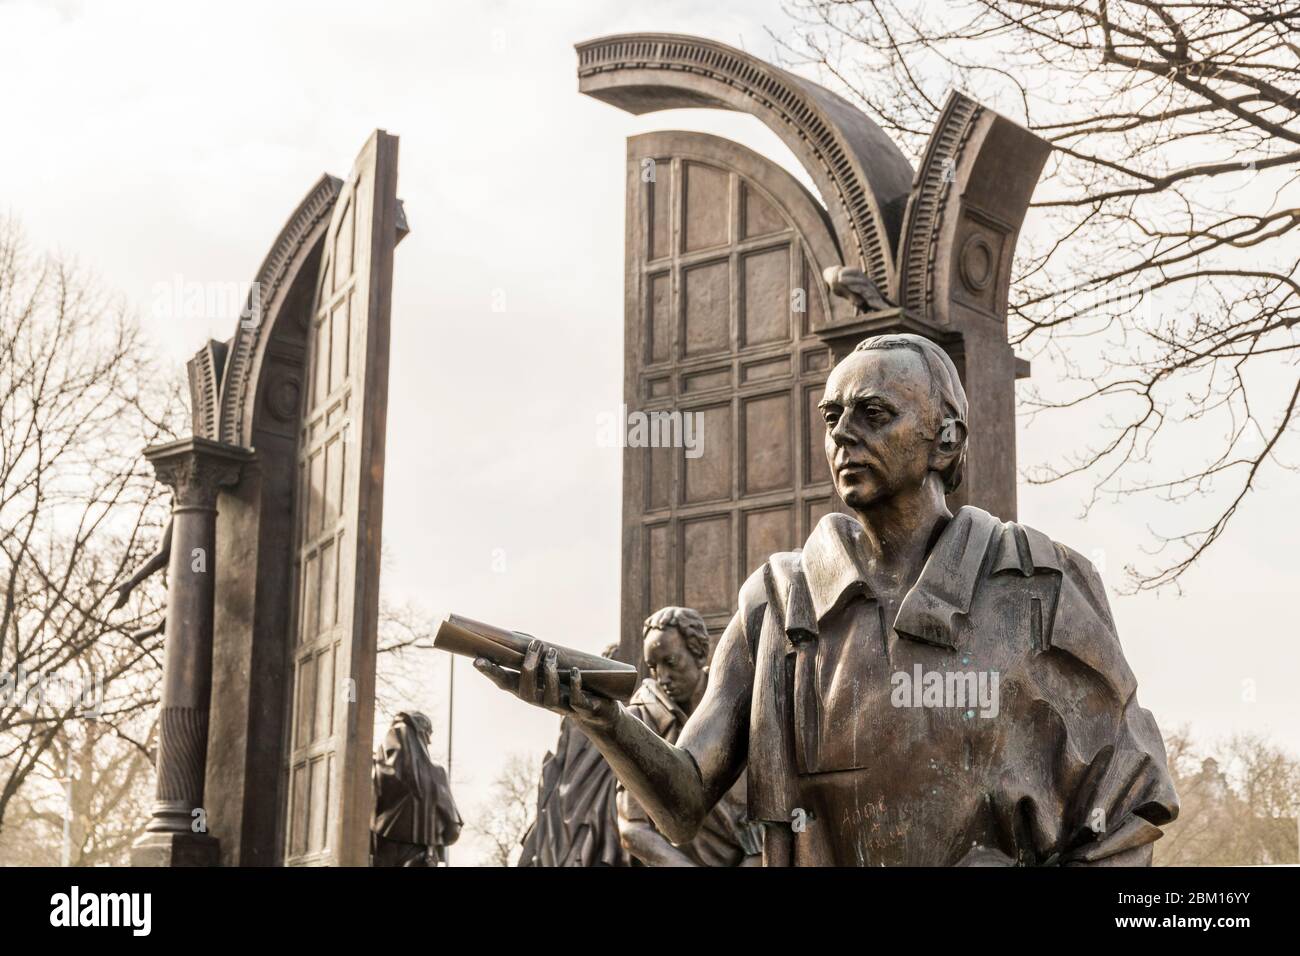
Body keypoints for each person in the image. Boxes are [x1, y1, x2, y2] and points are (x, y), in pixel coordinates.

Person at [477, 333, 1178, 866]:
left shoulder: (1041, 585)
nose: (843, 433)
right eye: (832, 415)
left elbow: (1123, 812)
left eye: (875, 413)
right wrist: (599, 716)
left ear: (946, 439)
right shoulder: (778, 600)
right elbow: (683, 799)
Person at [617, 607, 761, 866]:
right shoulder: (642, 719)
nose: (662, 677)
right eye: (653, 667)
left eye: (670, 662)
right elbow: (632, 829)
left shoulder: (742, 706)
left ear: (699, 653)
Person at [371, 711, 461, 866]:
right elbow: (452, 832)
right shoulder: (437, 774)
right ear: (421, 737)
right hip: (420, 859)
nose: (430, 742)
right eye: (428, 735)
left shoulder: (375, 771)